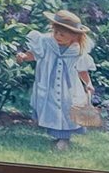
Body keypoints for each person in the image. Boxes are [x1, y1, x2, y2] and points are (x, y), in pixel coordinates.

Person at [16, 10, 93, 151]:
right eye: (56, 32)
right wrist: (25, 57)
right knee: (51, 107)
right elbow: (35, 54)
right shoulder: (46, 42)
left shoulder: (77, 51)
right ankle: (55, 134)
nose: (57, 36)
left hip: (69, 88)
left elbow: (82, 69)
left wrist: (88, 83)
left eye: (62, 35)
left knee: (67, 109)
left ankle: (64, 139)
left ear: (74, 36)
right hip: (48, 85)